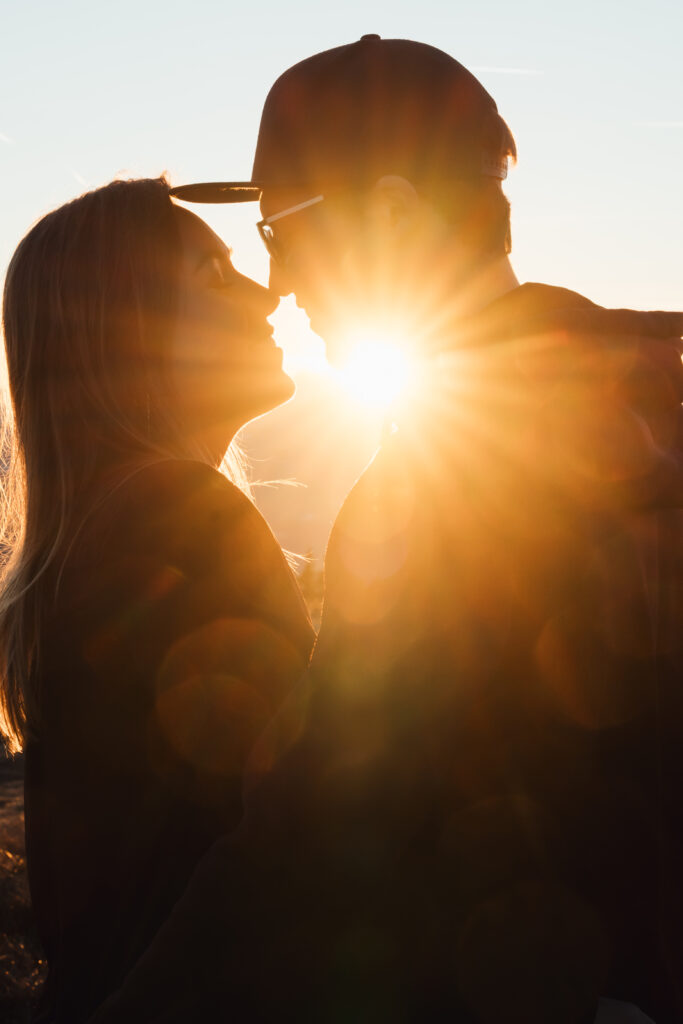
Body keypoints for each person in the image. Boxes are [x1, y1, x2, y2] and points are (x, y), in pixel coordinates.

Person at [90, 38, 682, 1023]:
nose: (276, 282)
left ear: (394, 211)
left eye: (282, 229)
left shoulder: (457, 472)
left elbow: (311, 828)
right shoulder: (643, 378)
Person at [0, 176, 314, 1023]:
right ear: (126, 334)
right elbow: (300, 830)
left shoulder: (93, 542)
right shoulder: (176, 515)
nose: (264, 293)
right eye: (215, 277)